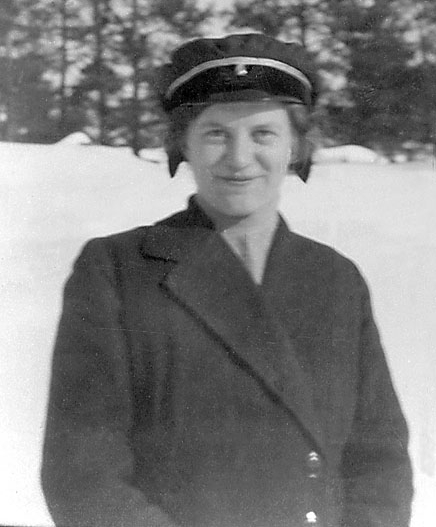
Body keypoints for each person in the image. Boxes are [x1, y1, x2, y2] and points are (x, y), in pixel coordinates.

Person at [41, 33, 413, 527]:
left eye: (263, 134)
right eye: (216, 133)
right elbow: (83, 475)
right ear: (184, 144)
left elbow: (379, 462)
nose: (239, 158)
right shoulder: (117, 270)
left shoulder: (336, 278)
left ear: (295, 147)